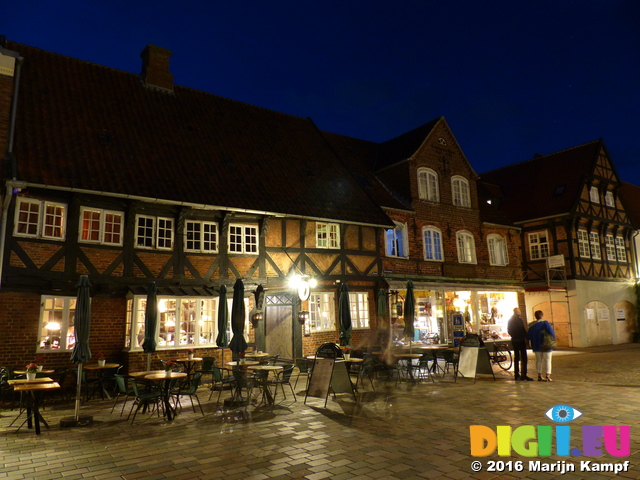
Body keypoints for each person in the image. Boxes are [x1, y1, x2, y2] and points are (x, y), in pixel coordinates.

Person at [527, 310, 556, 382]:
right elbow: (552, 333)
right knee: (548, 360)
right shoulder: (545, 323)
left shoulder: (531, 326)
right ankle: (548, 376)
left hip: (536, 345)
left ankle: (539, 375)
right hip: (546, 345)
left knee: (538, 361)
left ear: (535, 316)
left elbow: (528, 336)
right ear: (542, 316)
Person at [507, 307, 532, 381]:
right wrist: (526, 337)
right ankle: (524, 375)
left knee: (516, 357)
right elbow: (522, 330)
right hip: (520, 340)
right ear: (518, 312)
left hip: (514, 340)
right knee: (524, 357)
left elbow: (509, 330)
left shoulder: (510, 320)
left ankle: (516, 374)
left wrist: (513, 336)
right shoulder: (519, 320)